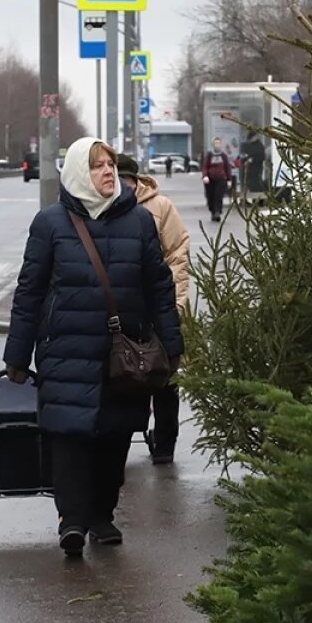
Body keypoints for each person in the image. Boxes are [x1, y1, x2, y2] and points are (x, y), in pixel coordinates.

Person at [3, 137, 184, 557]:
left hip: (124, 352)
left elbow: (159, 288)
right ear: (79, 173)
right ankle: (72, 520)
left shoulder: (139, 222)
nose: (108, 172)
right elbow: (29, 292)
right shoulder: (50, 224)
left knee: (115, 435)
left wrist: (172, 344)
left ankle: (102, 515)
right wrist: (17, 355)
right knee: (69, 436)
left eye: (111, 165)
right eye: (98, 165)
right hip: (66, 350)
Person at [117, 154, 190, 465]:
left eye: (126, 180)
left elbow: (177, 255)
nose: (121, 186)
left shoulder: (160, 207)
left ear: (136, 181)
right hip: (123, 311)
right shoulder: (103, 207)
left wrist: (175, 303)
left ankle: (165, 442)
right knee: (122, 374)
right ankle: (120, 440)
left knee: (164, 376)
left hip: (159, 308)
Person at [200, 136, 233, 222]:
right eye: (215, 143)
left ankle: (218, 212)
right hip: (210, 179)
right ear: (213, 145)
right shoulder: (209, 155)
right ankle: (213, 211)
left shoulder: (223, 156)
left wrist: (229, 180)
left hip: (221, 178)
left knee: (219, 196)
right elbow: (205, 167)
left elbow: (227, 168)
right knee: (211, 196)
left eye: (218, 143)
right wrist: (205, 176)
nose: (217, 145)